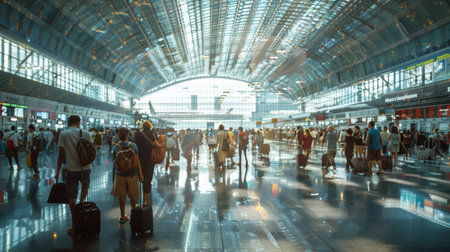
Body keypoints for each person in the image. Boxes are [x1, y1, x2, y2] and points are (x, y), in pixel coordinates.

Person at [54, 115, 93, 235]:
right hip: (86, 167)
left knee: (71, 195)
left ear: (68, 122)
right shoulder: (86, 133)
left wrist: (58, 170)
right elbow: (92, 150)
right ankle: (82, 203)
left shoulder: (64, 134)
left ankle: (75, 225)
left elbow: (61, 154)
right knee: (85, 187)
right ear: (79, 122)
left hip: (72, 169)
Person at [111, 127, 144, 223]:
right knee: (132, 195)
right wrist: (140, 174)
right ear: (128, 134)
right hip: (132, 174)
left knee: (122, 196)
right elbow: (137, 161)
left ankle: (122, 216)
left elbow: (114, 161)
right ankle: (133, 213)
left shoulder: (115, 147)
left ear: (118, 135)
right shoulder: (133, 145)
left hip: (119, 174)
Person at [134, 121, 157, 205]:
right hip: (151, 158)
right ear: (150, 126)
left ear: (143, 127)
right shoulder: (153, 134)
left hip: (140, 159)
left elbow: (135, 145)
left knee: (141, 176)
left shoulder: (138, 134)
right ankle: (146, 199)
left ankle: (137, 198)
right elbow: (157, 145)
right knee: (149, 177)